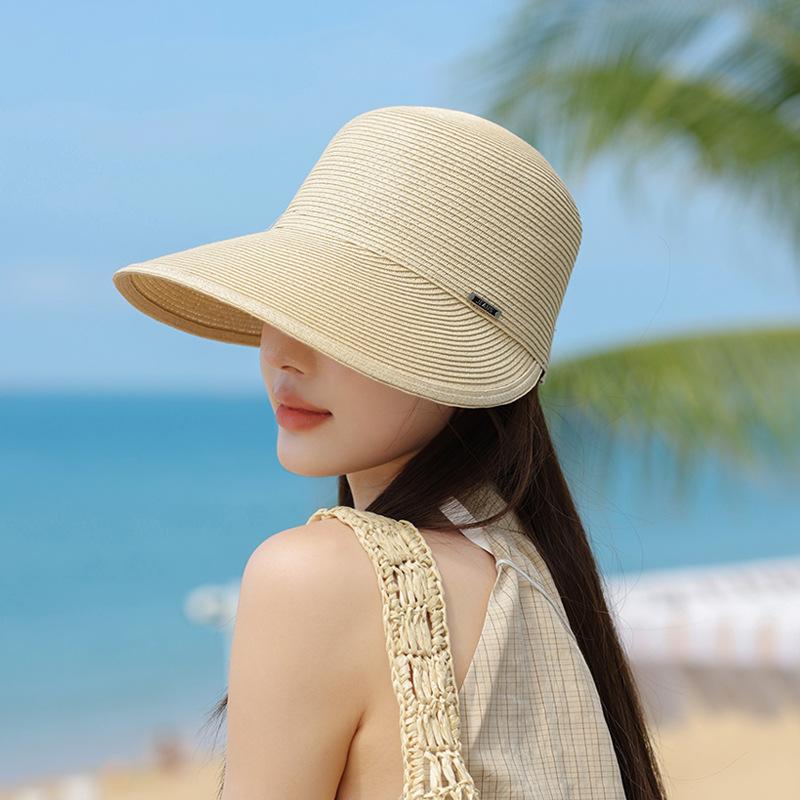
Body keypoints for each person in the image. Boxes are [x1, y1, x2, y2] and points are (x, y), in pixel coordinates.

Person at [112, 105, 667, 799]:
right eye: (278, 309)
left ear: (454, 357)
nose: (282, 354)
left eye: (343, 317)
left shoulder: (318, 578)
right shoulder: (534, 576)